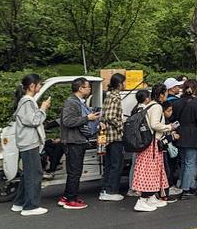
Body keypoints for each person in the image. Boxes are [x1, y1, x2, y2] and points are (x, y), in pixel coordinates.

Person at [11, 74, 51, 216]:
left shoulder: (25, 101)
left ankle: (19, 202)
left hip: (27, 142)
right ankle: (31, 206)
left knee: (28, 173)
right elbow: (33, 121)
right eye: (39, 85)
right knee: (34, 173)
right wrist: (43, 108)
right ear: (32, 86)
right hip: (29, 143)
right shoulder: (27, 102)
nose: (40, 88)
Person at [132, 83, 175, 212]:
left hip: (149, 143)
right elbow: (155, 124)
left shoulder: (149, 105)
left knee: (153, 171)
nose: (167, 95)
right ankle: (142, 200)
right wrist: (169, 127)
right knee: (149, 172)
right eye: (166, 93)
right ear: (162, 94)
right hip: (152, 144)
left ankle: (150, 197)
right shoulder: (156, 107)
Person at [58, 77, 100, 210]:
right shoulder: (72, 102)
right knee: (75, 171)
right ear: (80, 88)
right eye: (87, 87)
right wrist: (88, 118)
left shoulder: (78, 102)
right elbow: (68, 121)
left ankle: (68, 196)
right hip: (73, 141)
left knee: (74, 171)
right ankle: (71, 199)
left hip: (77, 140)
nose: (89, 89)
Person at [172, 79, 197, 198]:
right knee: (190, 163)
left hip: (180, 133)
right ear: (195, 89)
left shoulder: (177, 102)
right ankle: (186, 189)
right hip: (192, 135)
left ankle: (183, 184)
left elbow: (173, 117)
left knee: (184, 162)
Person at [99, 73, 126, 202]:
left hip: (107, 136)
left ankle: (105, 189)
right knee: (117, 164)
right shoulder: (116, 97)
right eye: (124, 82)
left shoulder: (108, 96)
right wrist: (122, 126)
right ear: (120, 84)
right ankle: (111, 191)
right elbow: (111, 116)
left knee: (109, 164)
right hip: (115, 136)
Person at [127, 89, 150, 197]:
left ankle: (132, 187)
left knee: (134, 164)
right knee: (139, 165)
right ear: (146, 99)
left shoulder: (134, 109)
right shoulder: (144, 110)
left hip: (134, 141)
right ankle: (135, 188)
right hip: (141, 141)